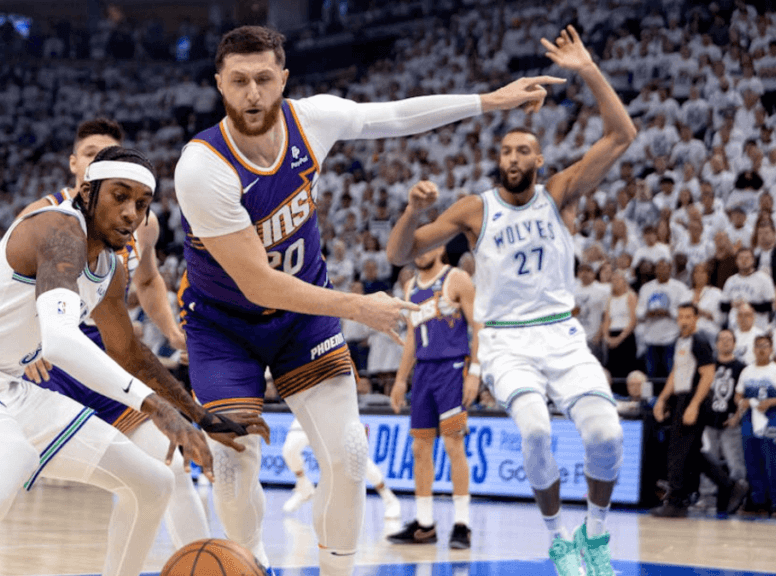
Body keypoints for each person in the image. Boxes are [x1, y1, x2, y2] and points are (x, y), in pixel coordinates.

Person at [172, 25, 560, 576]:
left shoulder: (312, 120)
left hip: (301, 319)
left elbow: (397, 116)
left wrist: (491, 100)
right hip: (224, 326)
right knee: (235, 469)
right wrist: (358, 307)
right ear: (219, 84)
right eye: (239, 81)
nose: (253, 94)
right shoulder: (202, 166)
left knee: (350, 455)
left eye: (263, 79)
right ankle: (249, 564)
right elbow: (257, 283)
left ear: (284, 78)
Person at [0, 147, 247, 576]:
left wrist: (197, 414)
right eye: (120, 196)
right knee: (12, 455)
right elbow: (58, 342)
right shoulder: (59, 228)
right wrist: (156, 407)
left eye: (142, 204)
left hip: (3, 387)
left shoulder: (111, 268)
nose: (132, 213)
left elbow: (128, 353)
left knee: (153, 481)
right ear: (88, 193)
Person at [386, 26, 634, 576]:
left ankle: (593, 536)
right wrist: (410, 211)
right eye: (506, 150)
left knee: (606, 434)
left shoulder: (561, 194)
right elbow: (401, 252)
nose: (515, 156)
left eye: (525, 150)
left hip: (561, 334)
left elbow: (620, 136)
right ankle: (558, 540)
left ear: (540, 160)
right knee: (537, 430)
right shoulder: (475, 210)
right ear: (499, 160)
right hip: (505, 341)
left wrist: (589, 71)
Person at [11, 118, 212, 555]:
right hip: (50, 357)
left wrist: (171, 331)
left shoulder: (144, 224)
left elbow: (148, 280)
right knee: (4, 473)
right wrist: (24, 348)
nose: (95, 162)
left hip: (105, 351)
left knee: (166, 464)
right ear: (74, 165)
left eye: (107, 155)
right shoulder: (43, 215)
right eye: (89, 155)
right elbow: (12, 290)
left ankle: (202, 564)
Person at [387, 245, 478, 549]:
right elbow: (412, 336)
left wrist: (475, 371)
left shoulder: (457, 278)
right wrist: (401, 380)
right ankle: (425, 525)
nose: (420, 252)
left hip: (452, 369)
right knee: (420, 447)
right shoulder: (410, 286)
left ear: (439, 248)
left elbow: (478, 326)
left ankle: (462, 524)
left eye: (427, 246)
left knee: (454, 443)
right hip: (424, 373)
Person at [648, 304, 716, 517]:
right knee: (691, 454)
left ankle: (676, 502)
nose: (684, 321)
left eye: (688, 317)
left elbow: (708, 374)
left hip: (694, 397)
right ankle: (730, 485)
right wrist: (662, 398)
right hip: (683, 396)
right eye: (681, 317)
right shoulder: (681, 341)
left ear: (696, 319)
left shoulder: (699, 340)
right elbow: (676, 372)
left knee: (677, 452)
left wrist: (694, 405)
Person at [280, 418, 400, 518]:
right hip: (309, 410)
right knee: (290, 449)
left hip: (337, 410)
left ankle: (390, 499)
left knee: (358, 456)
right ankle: (304, 487)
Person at [729, 334, 776, 516]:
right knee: (752, 462)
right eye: (758, 346)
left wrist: (770, 402)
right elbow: (737, 395)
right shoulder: (747, 371)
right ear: (753, 349)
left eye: (765, 345)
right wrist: (742, 402)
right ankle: (757, 502)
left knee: (773, 462)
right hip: (749, 421)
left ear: (771, 349)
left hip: (772, 421)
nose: (761, 349)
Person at [698, 329, 749, 513]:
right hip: (708, 421)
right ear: (716, 344)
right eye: (722, 339)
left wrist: (737, 416)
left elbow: (744, 395)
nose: (726, 342)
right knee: (707, 460)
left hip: (730, 422)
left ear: (735, 344)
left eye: (729, 340)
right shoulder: (708, 366)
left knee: (735, 462)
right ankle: (707, 498)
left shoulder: (741, 367)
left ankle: (738, 497)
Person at [602, 271, 638, 391]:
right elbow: (607, 319)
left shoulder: (630, 296)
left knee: (626, 367)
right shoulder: (610, 298)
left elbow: (633, 320)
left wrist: (620, 337)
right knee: (613, 367)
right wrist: (607, 337)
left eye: (618, 279)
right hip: (612, 334)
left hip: (625, 335)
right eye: (613, 280)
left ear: (624, 281)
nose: (615, 282)